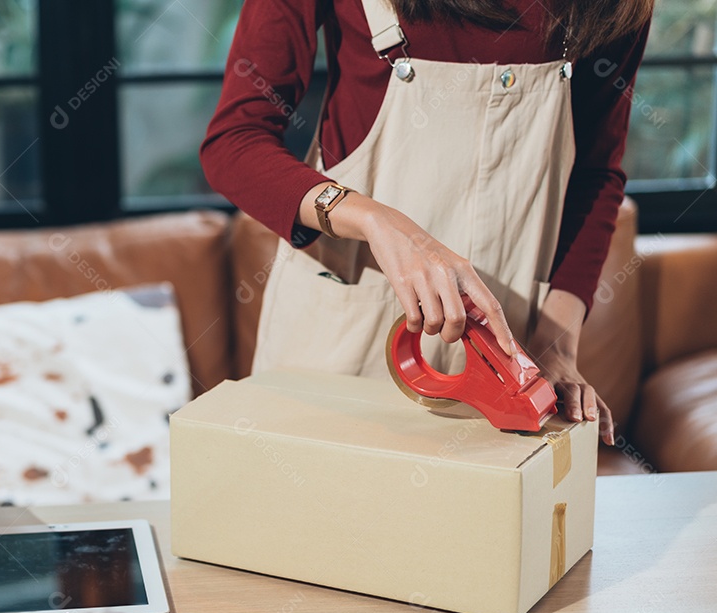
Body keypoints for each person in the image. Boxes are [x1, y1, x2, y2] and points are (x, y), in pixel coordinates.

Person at [201, 0, 653, 446]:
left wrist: (557, 345)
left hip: (504, 354)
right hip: (341, 339)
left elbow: (596, 173)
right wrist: (376, 221)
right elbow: (234, 144)